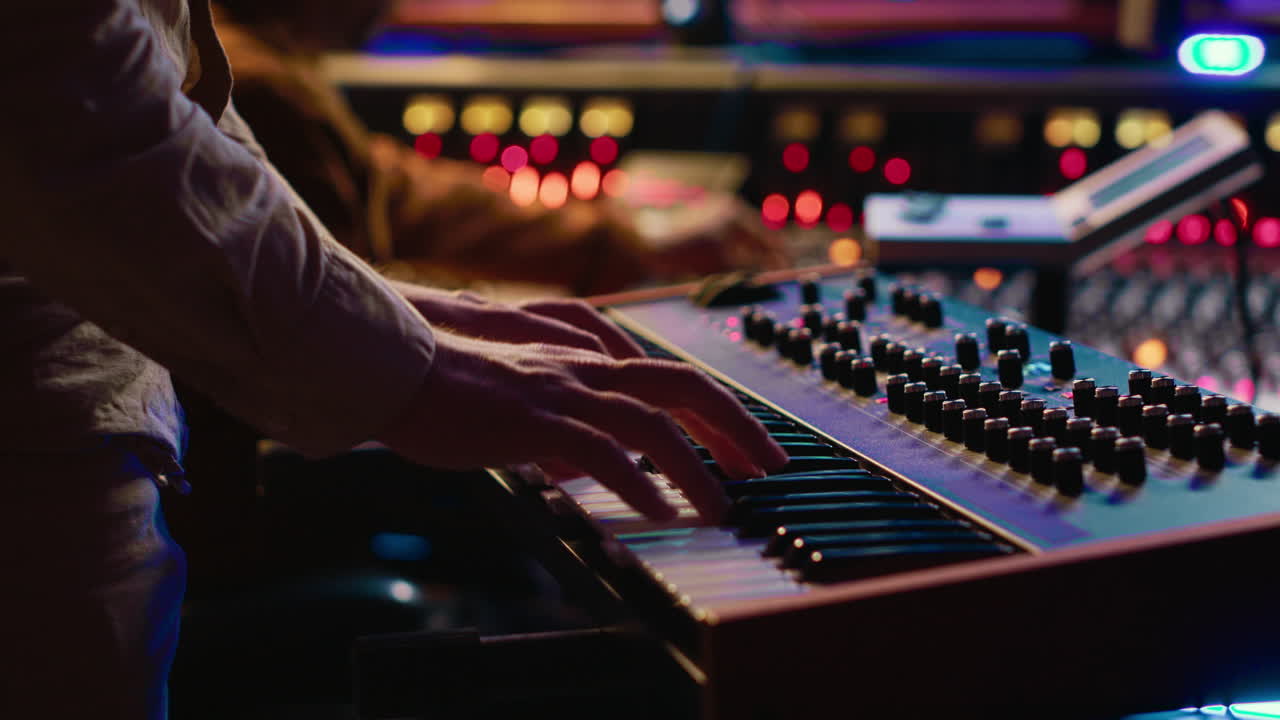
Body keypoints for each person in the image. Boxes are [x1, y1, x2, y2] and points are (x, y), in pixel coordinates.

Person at [0, 2, 788, 718]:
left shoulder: (268, 71)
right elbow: (65, 100)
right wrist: (414, 366)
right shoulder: (273, 80)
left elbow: (218, 135)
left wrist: (426, 314)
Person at [208, 0, 787, 295]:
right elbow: (342, 317)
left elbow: (403, 195)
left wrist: (633, 235)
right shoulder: (258, 88)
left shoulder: (264, 64)